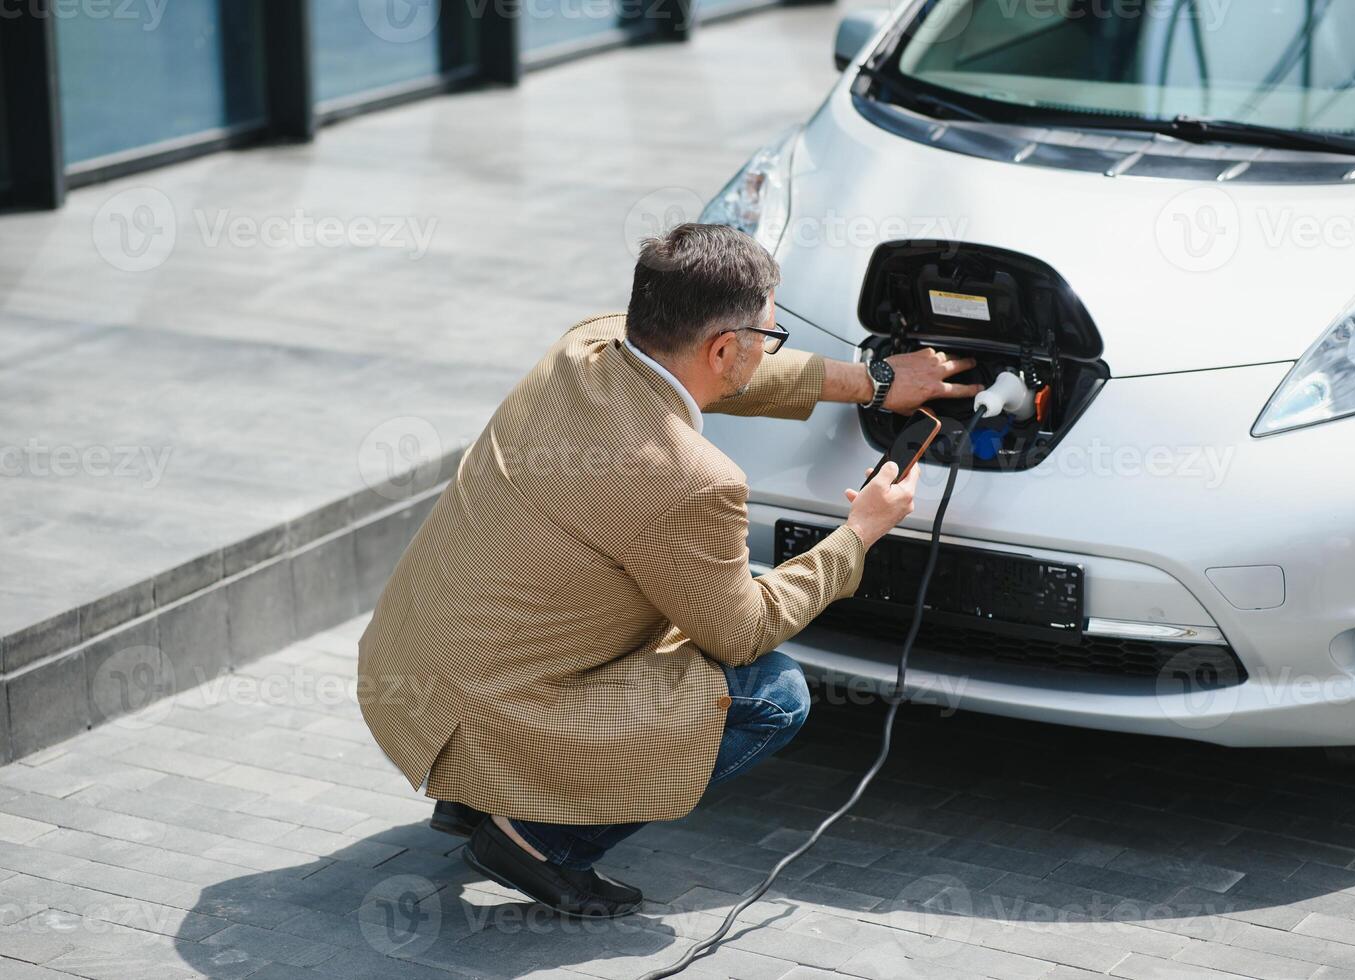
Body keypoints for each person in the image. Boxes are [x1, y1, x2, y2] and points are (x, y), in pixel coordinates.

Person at [357, 223, 980, 917]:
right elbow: (742, 632)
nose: (769, 349)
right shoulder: (692, 481)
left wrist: (875, 381)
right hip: (485, 712)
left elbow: (712, 372)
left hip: (407, 682)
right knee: (772, 693)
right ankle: (536, 841)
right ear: (724, 347)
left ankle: (473, 799)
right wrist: (859, 532)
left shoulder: (587, 345)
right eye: (768, 337)